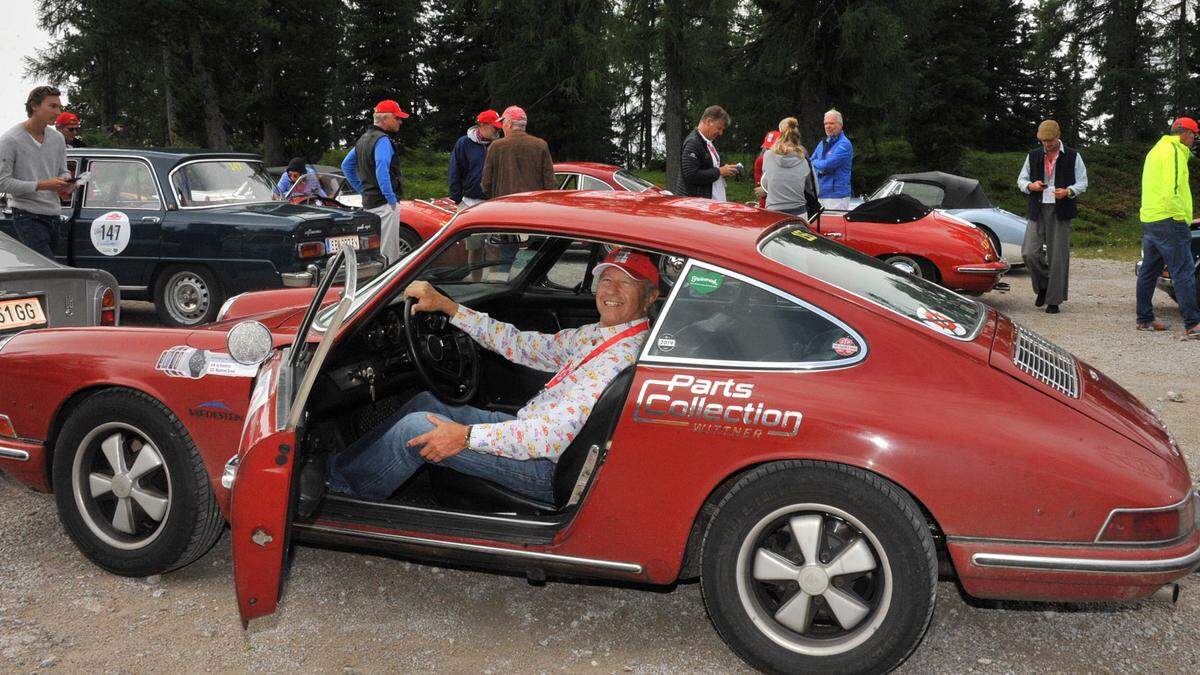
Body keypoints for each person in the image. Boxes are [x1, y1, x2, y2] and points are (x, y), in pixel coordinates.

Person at [327, 248, 660, 502]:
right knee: (425, 402)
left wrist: (465, 437)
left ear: (649, 297)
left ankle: (341, 493)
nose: (612, 290)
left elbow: (551, 437)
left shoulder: (619, 358)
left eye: (626, 283)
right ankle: (338, 468)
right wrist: (450, 308)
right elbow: (522, 344)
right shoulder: (599, 335)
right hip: (534, 436)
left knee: (416, 430)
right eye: (607, 279)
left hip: (547, 466)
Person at [1135, 117, 1198, 339]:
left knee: (1149, 271)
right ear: (1185, 134)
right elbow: (1171, 190)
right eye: (1194, 135)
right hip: (1170, 219)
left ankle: (1144, 319)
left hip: (1151, 218)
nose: (1194, 140)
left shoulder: (1156, 150)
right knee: (1183, 271)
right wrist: (1181, 218)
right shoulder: (1174, 151)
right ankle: (1193, 324)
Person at [1016, 120, 1088, 314]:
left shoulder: (1073, 156)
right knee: (1029, 252)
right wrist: (1031, 186)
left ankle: (1054, 300)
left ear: (1058, 136)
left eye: (1050, 140)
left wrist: (1069, 191)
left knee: (1058, 256)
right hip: (1037, 208)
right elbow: (1021, 180)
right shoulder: (1033, 156)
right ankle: (1044, 286)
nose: (1047, 144)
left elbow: (1083, 182)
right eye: (1043, 141)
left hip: (1061, 209)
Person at [0, 86, 72, 259]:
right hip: (27, 216)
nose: (58, 112)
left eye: (59, 107)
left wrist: (67, 182)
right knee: (49, 270)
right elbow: (2, 182)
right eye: (53, 106)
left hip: (54, 215)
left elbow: (63, 171)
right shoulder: (10, 140)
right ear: (34, 106)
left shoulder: (57, 138)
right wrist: (44, 185)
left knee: (47, 272)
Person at [342, 99, 409, 264]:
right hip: (385, 204)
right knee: (389, 253)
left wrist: (361, 189)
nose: (400, 121)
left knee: (373, 251)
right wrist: (391, 198)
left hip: (369, 203)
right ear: (385, 119)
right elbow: (382, 169)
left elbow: (346, 166)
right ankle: (391, 287)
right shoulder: (383, 140)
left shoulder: (362, 140)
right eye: (397, 117)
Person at [450, 109, 503, 280]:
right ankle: (475, 284)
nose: (498, 130)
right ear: (482, 126)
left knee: (496, 247)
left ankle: (496, 285)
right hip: (471, 203)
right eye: (495, 127)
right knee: (474, 248)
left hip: (495, 203)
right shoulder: (463, 143)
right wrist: (458, 200)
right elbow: (454, 172)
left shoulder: (500, 144)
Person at [480, 105, 555, 198]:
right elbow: (550, 183)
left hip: (504, 205)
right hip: (534, 206)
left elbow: (486, 184)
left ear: (510, 123)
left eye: (503, 122)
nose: (502, 126)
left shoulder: (496, 146)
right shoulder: (541, 145)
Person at [759, 117, 819, 218]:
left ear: (780, 134)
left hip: (774, 213)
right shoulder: (804, 159)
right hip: (799, 213)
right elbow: (815, 190)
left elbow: (767, 181)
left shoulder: (768, 156)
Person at [677, 105, 739, 200]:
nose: (720, 133)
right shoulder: (693, 142)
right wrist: (720, 171)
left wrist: (726, 169)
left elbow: (709, 166)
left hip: (710, 203)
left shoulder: (707, 141)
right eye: (719, 128)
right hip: (698, 205)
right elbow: (690, 175)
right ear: (709, 121)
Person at [810, 109, 853, 210]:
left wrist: (816, 163)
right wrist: (818, 165)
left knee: (835, 225)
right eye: (826, 123)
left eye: (831, 123)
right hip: (820, 193)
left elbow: (827, 165)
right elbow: (810, 160)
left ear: (840, 125)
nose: (827, 126)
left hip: (837, 195)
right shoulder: (823, 142)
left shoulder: (844, 144)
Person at [753, 130, 779, 208]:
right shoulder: (760, 161)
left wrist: (768, 191)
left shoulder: (790, 162)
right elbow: (759, 191)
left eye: (772, 149)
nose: (769, 152)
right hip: (766, 205)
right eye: (767, 149)